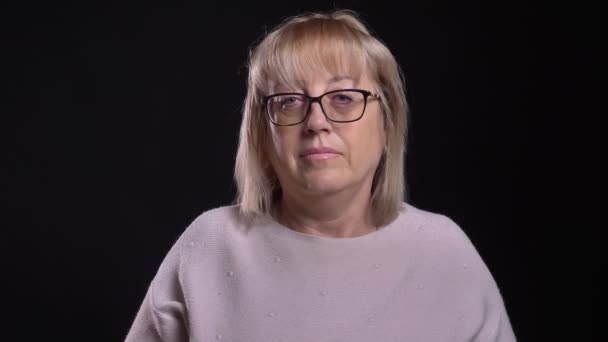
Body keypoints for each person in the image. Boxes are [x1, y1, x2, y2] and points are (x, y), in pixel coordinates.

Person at [125, 9, 516, 342]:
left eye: (343, 98)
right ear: (262, 134)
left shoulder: (444, 253)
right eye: (289, 101)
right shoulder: (210, 246)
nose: (316, 122)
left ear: (387, 124)